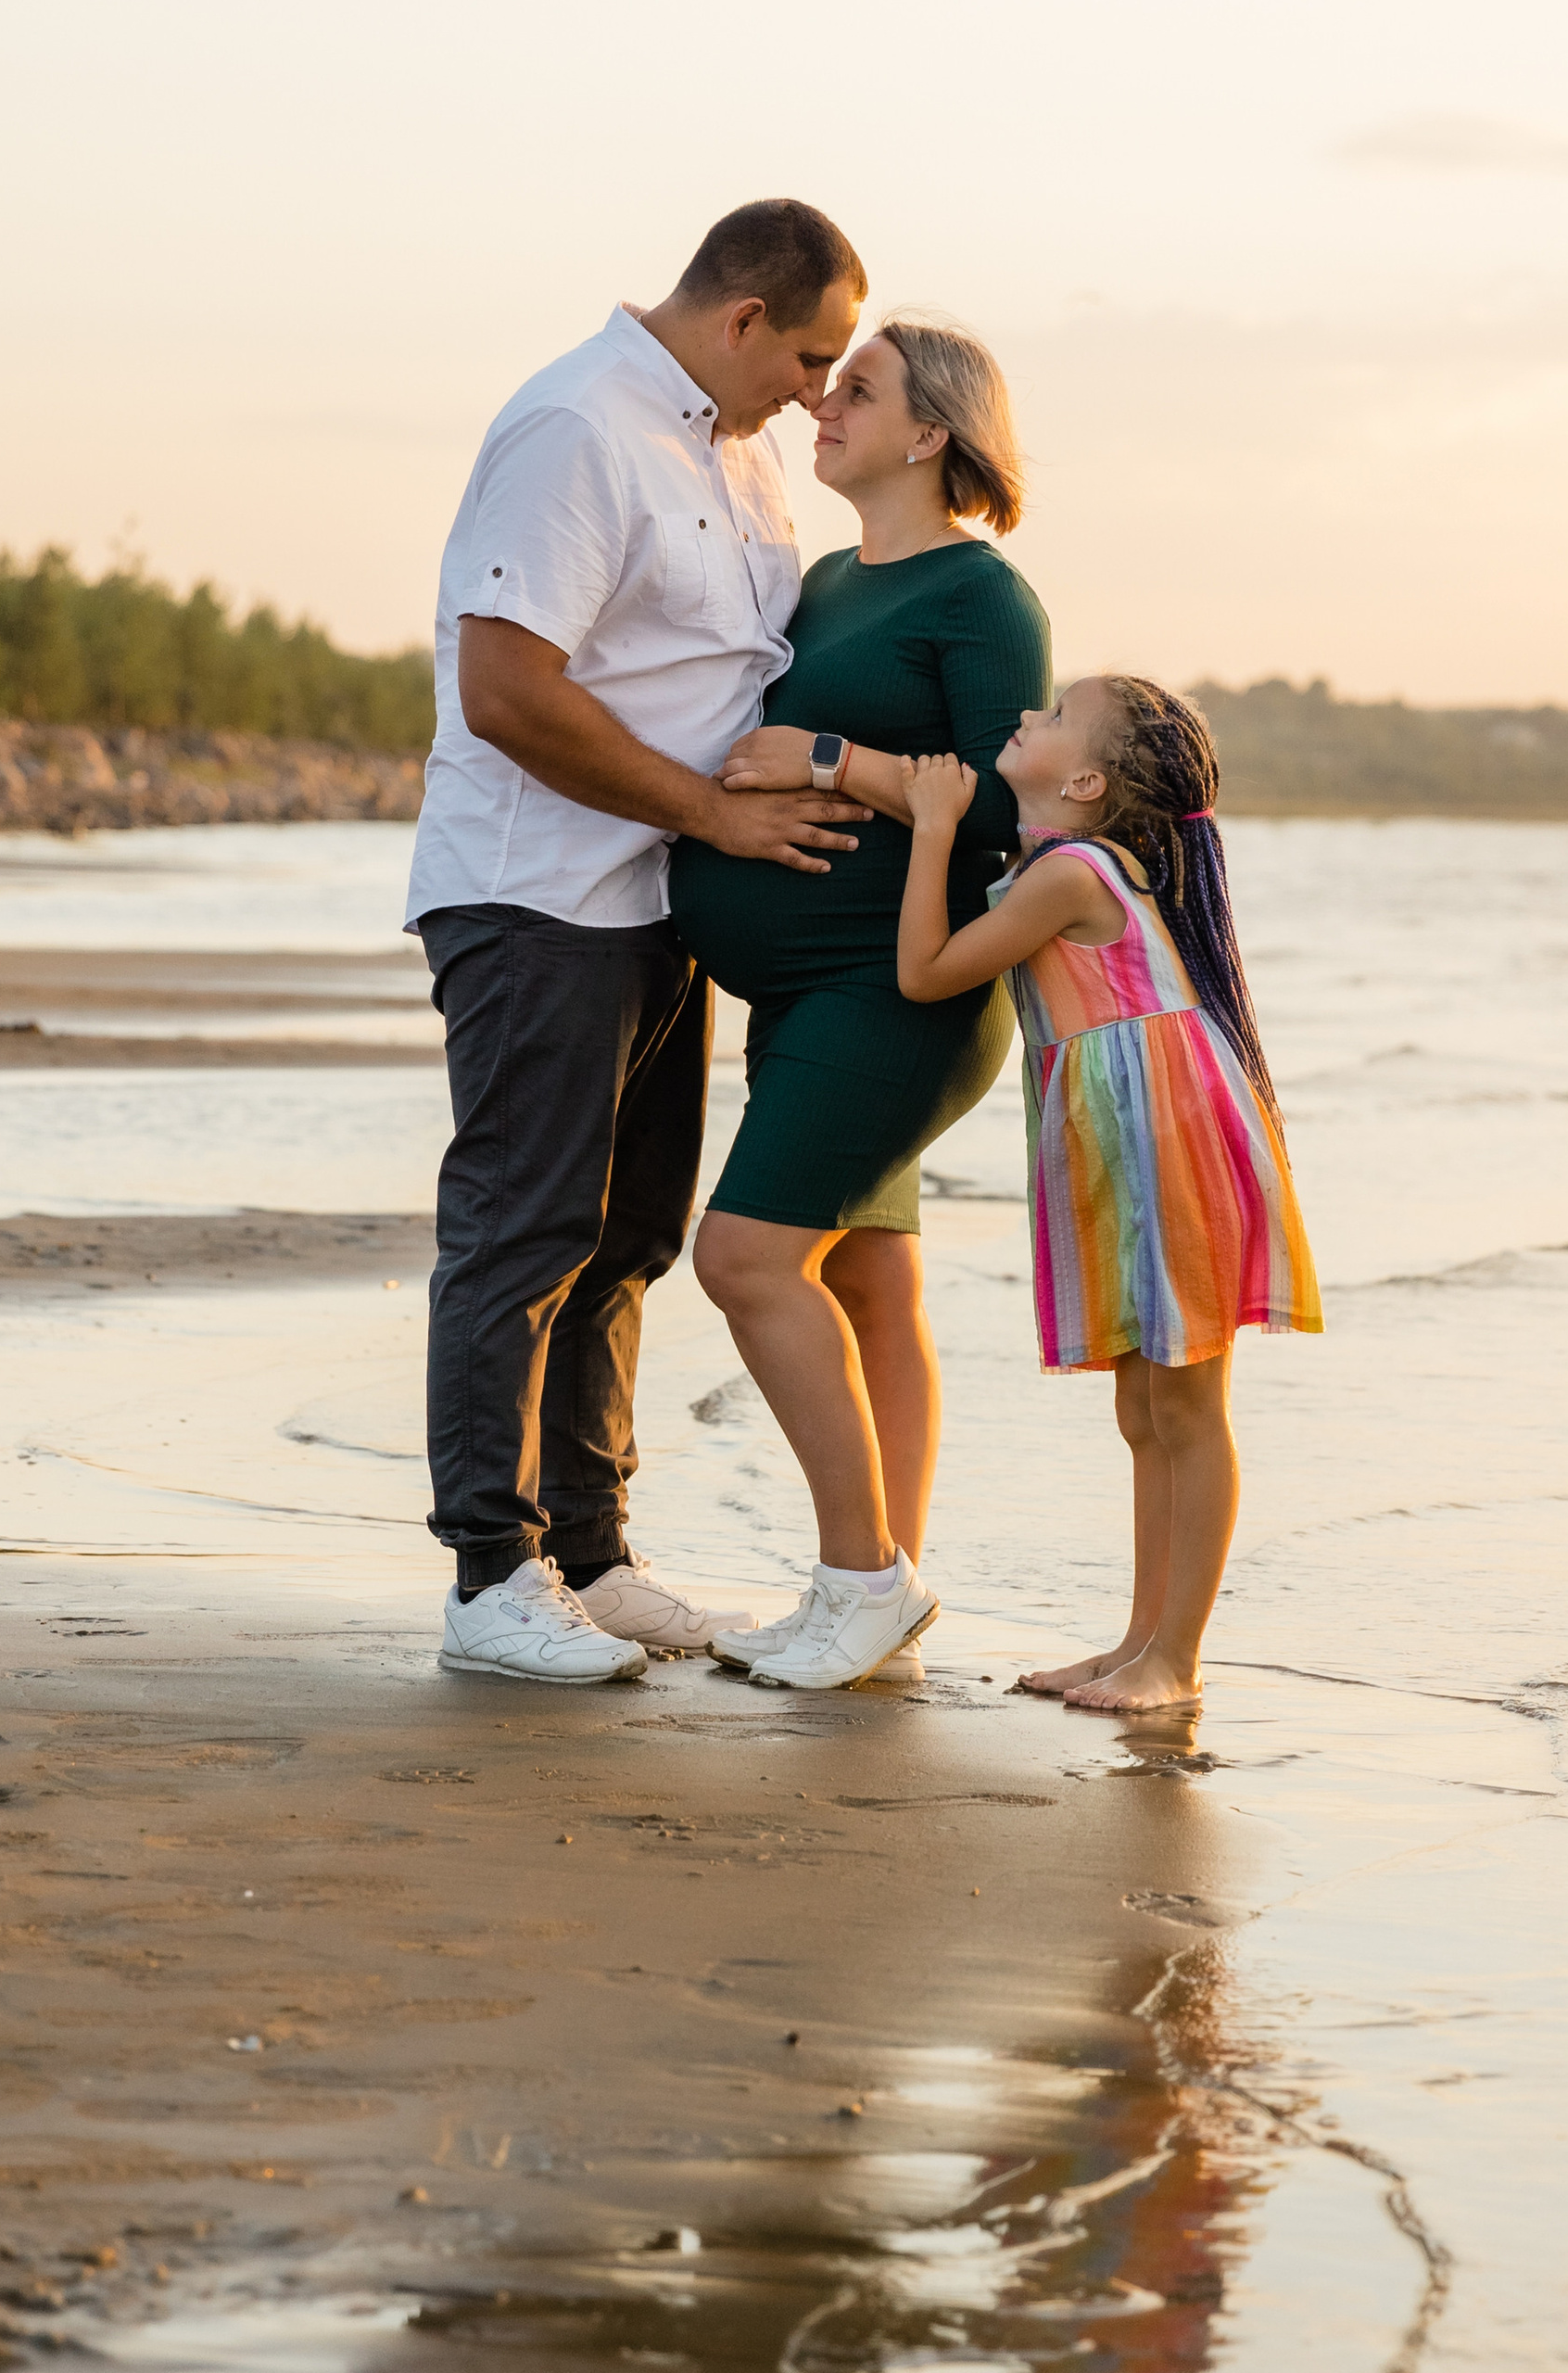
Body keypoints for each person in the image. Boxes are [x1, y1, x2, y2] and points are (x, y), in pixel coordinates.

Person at [410, 200, 878, 1687]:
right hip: (535, 894)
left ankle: (590, 1556)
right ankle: (492, 1578)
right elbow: (506, 688)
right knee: (522, 1234)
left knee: (626, 1243)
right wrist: (715, 814)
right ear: (743, 317)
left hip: (657, 906)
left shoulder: (736, 458)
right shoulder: (577, 427)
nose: (818, 393)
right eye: (810, 357)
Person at [663, 318, 1051, 1692]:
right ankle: (875, 1588)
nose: (823, 403)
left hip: (902, 994)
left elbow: (1012, 806)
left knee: (745, 1262)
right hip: (807, 992)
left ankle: (859, 1582)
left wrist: (831, 755)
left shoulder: (982, 600)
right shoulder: (827, 578)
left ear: (931, 435)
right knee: (872, 1283)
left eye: (859, 388)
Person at [892, 678, 1322, 1713]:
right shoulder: (1069, 865)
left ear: (1083, 780)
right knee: (1143, 1408)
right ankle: (1141, 1640)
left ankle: (1177, 1659)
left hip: (1165, 1141)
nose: (1025, 717)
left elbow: (925, 971)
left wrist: (931, 825)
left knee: (1185, 1404)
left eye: (1049, 717)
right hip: (1126, 1138)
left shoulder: (1074, 874)